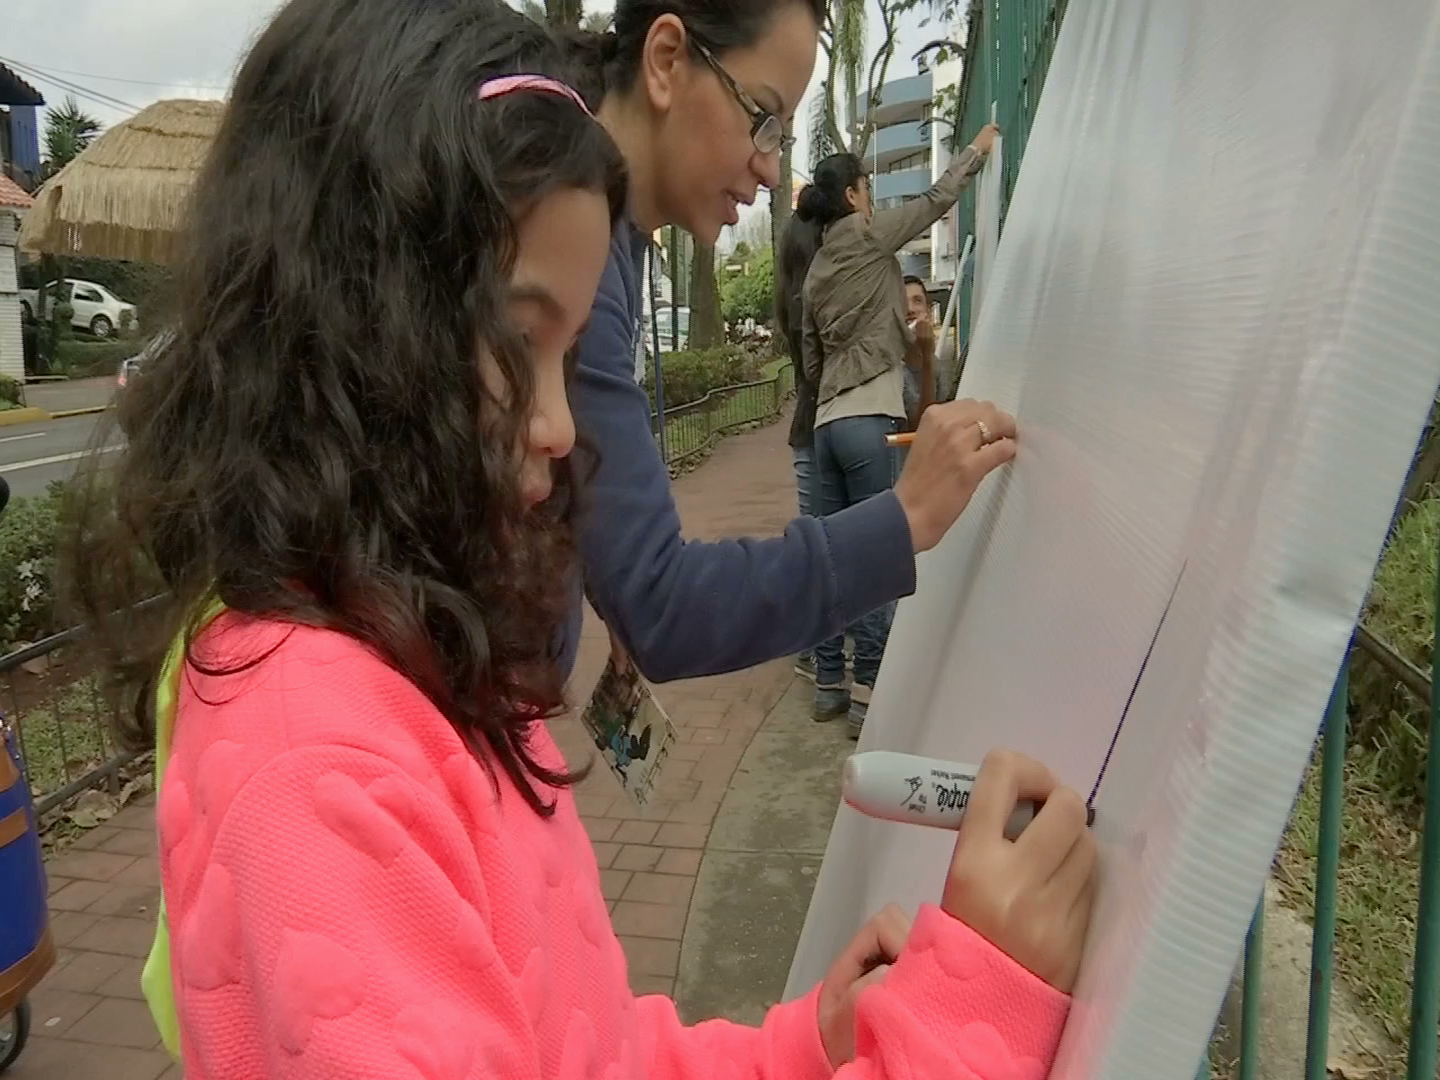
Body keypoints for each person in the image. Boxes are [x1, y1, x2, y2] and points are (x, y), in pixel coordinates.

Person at [66, 3, 1099, 1075]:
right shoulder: (328, 768)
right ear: (356, 318)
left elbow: (569, 1036)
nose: (563, 432)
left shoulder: (414, 654)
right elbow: (657, 594)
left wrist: (791, 1051)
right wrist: (961, 1029)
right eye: (762, 114)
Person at [558, 0, 1016, 696]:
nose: (772, 170)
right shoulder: (568, 241)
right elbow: (663, 603)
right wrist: (908, 519)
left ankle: (834, 686)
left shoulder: (604, 229)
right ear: (666, 60)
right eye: (763, 118)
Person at [799, 137, 996, 734]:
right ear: (855, 194)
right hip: (868, 419)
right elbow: (935, 201)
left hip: (826, 425)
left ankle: (828, 683)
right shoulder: (867, 234)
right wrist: (975, 152)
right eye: (866, 188)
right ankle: (868, 695)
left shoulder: (814, 272)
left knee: (830, 558)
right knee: (876, 558)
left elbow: (809, 365)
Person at [775, 203, 826, 681]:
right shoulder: (824, 291)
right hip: (829, 423)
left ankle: (813, 650)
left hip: (804, 427)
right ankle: (822, 650)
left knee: (817, 535)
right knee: (835, 539)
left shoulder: (791, 295)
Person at [901, 275, 939, 431]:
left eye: (917, 301)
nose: (910, 309)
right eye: (902, 302)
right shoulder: (893, 368)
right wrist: (927, 356)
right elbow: (922, 426)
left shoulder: (938, 364)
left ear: (928, 311)